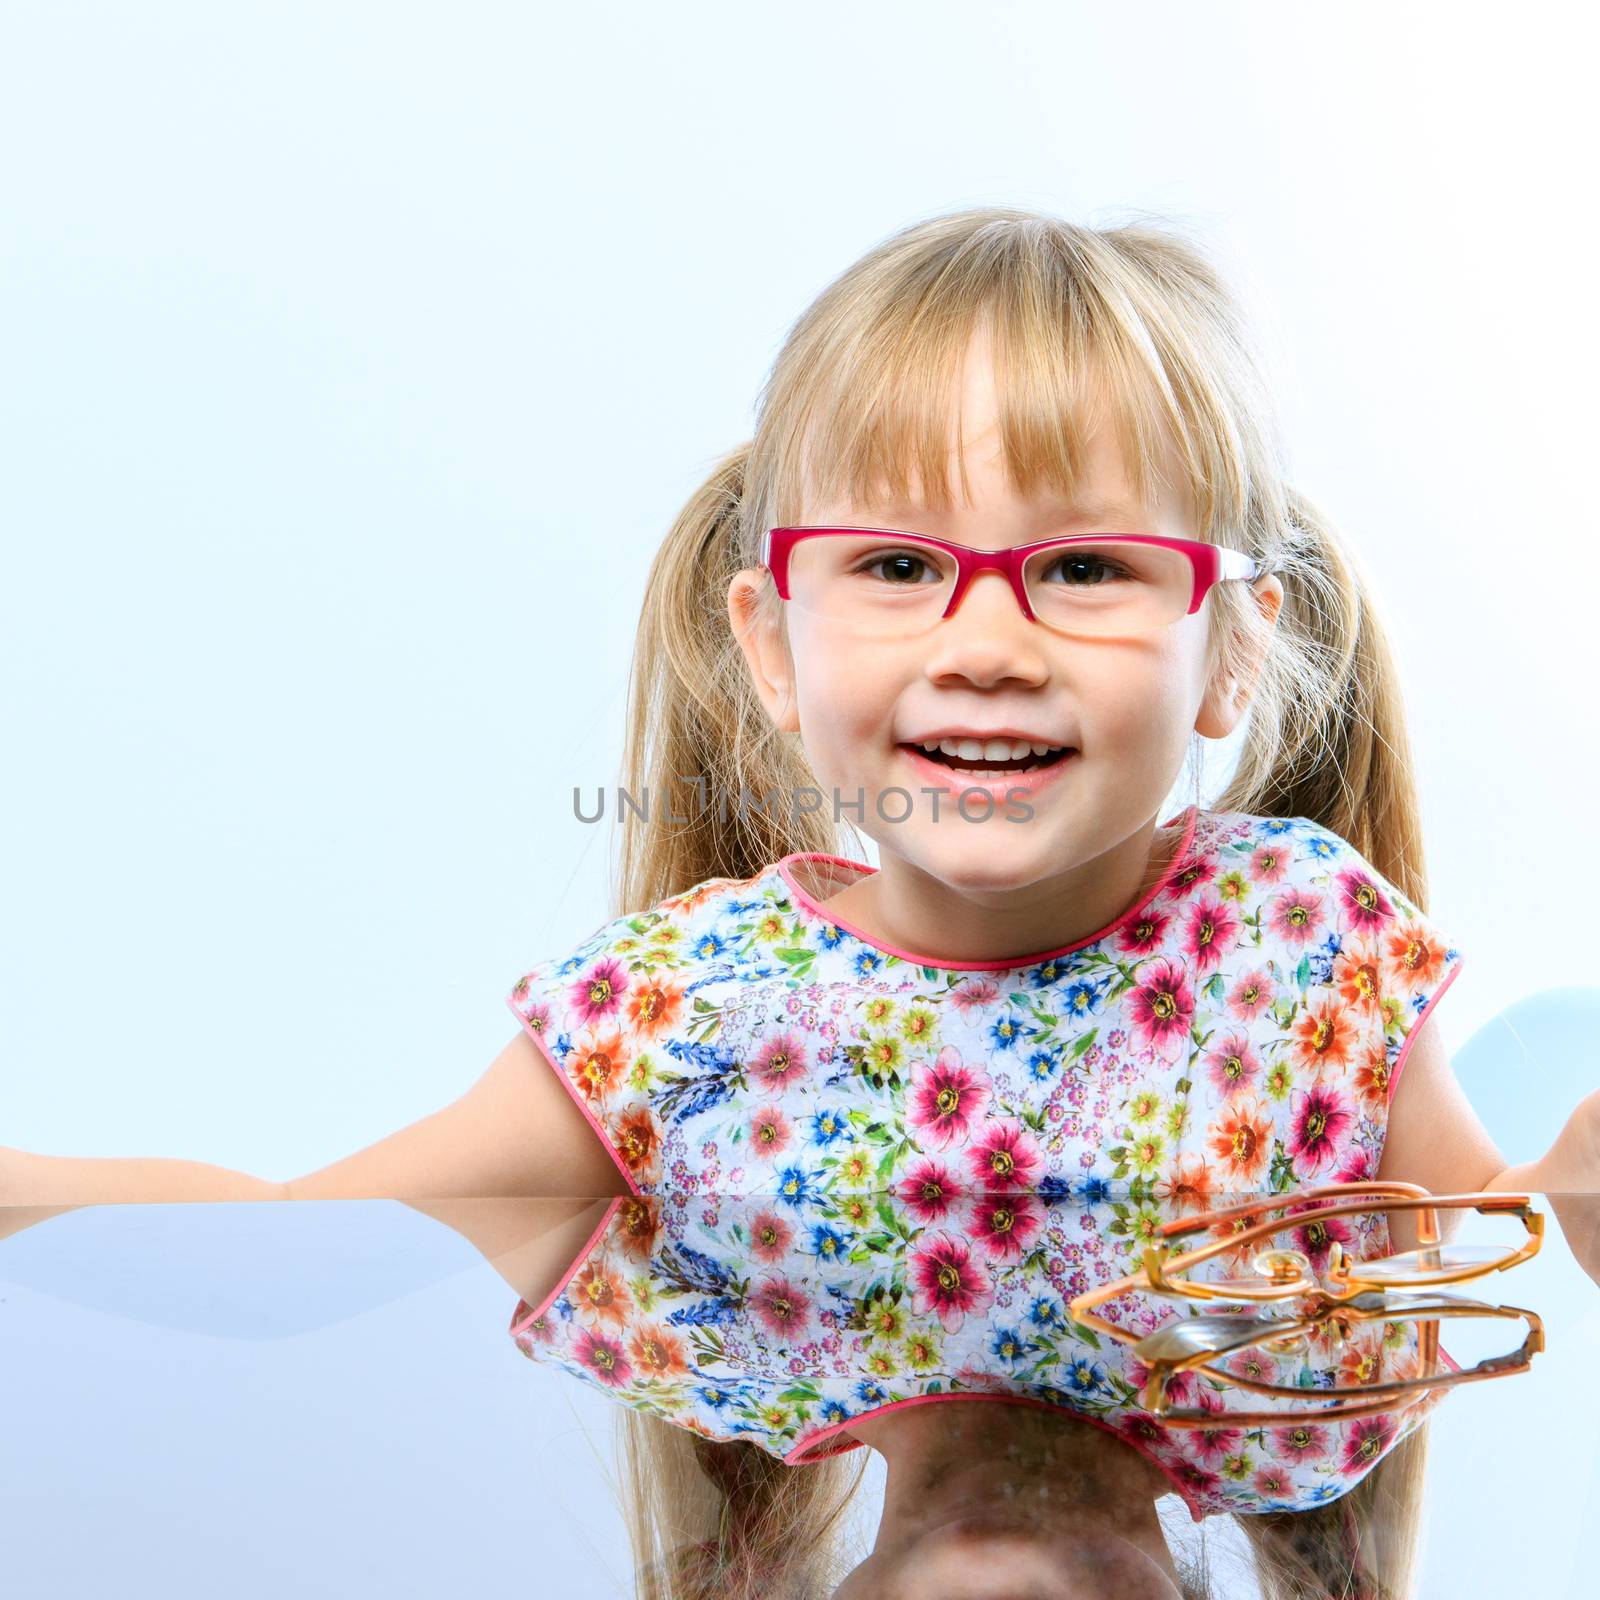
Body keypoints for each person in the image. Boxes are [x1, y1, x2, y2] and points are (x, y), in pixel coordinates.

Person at [8, 206, 1598, 1597]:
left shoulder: (1299, 952)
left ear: (1232, 653)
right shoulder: (676, 1022)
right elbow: (301, 1245)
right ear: (775, 649)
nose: (986, 640)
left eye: (1089, 568)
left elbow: (1511, 1212)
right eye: (899, 568)